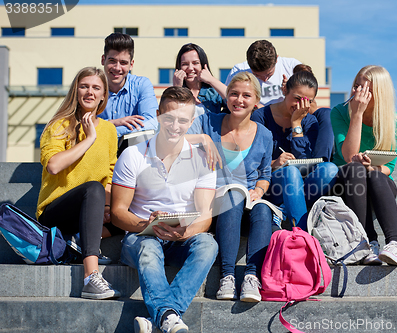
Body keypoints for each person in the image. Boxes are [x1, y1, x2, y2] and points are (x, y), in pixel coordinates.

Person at [111, 86, 217, 333]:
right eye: (168, 118)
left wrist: (184, 232)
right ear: (158, 115)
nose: (175, 126)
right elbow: (117, 212)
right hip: (140, 237)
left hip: (180, 238)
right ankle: (169, 316)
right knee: (148, 246)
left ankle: (163, 317)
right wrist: (146, 225)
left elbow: (205, 217)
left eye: (182, 120)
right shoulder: (132, 155)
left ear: (192, 121)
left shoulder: (202, 160)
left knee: (208, 244)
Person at [36, 67, 121, 300]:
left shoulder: (110, 131)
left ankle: (79, 240)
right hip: (55, 214)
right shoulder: (59, 125)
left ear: (104, 95)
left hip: (91, 208)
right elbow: (53, 165)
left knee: (129, 206)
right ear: (76, 90)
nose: (90, 92)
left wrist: (107, 208)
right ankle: (90, 277)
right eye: (84, 86)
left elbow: (111, 176)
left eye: (96, 88)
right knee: (93, 189)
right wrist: (89, 138)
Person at [188, 72, 273, 302]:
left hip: (246, 203)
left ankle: (251, 277)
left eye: (246, 95)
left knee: (264, 209)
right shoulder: (208, 121)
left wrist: (259, 190)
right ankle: (227, 276)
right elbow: (173, 140)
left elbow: (265, 174)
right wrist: (203, 139)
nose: (239, 100)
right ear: (227, 97)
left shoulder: (265, 134)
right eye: (234, 94)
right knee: (233, 194)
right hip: (213, 201)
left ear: (256, 101)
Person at [330, 65, 397, 266]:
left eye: (364, 89)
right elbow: (347, 156)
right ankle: (367, 241)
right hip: (345, 184)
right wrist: (357, 114)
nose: (357, 93)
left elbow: (389, 166)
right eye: (356, 86)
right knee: (354, 168)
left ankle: (395, 243)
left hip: (378, 184)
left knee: (373, 174)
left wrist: (371, 167)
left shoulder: (395, 121)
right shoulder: (339, 112)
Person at [251, 71, 338, 230]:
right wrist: (274, 163)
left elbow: (306, 159)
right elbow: (251, 160)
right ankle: (302, 233)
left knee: (330, 169)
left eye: (306, 101)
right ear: (284, 91)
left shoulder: (310, 121)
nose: (300, 106)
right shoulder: (260, 117)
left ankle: (286, 208)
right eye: (297, 98)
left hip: (302, 184)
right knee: (290, 172)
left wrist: (296, 122)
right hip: (272, 182)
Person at [98, 33, 158, 141]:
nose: (117, 68)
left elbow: (151, 123)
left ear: (131, 64)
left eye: (123, 63)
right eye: (112, 61)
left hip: (133, 152)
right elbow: (80, 125)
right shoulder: (92, 88)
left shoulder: (142, 85)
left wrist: (106, 129)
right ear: (103, 60)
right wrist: (113, 123)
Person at [225, 40, 301, 107]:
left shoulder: (291, 66)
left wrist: (293, 89)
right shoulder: (238, 71)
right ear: (248, 64)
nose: (265, 79)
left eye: (269, 74)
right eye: (257, 75)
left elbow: (310, 95)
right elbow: (227, 99)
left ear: (277, 59)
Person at [282, 64, 334, 161]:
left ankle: (321, 162)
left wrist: (299, 119)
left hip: (307, 133)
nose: (301, 105)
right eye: (297, 98)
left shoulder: (312, 117)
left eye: (308, 101)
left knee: (326, 113)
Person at [173, 43, 227, 117]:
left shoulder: (213, 92)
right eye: (185, 64)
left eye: (195, 63)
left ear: (203, 65)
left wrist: (211, 80)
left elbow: (234, 102)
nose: (190, 68)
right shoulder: (172, 92)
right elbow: (168, 116)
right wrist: (177, 89)